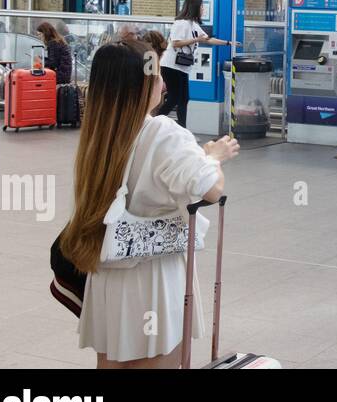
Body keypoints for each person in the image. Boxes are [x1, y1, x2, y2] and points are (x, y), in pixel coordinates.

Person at [58, 37, 240, 367]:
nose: (163, 82)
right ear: (139, 85)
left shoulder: (99, 137)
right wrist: (212, 157)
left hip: (109, 276)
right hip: (153, 279)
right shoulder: (162, 133)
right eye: (155, 75)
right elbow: (211, 189)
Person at [158, 0, 233, 128]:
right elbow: (176, 43)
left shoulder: (193, 24)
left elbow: (207, 39)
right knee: (174, 98)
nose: (203, 9)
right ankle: (152, 123)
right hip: (171, 66)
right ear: (195, 8)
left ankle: (182, 129)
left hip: (182, 67)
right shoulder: (181, 23)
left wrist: (228, 43)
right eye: (202, 7)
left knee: (184, 99)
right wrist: (196, 40)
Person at [36, 22, 73, 86]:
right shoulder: (57, 41)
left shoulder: (53, 43)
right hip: (65, 75)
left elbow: (53, 63)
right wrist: (42, 58)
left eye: (40, 34)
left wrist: (41, 61)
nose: (39, 37)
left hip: (60, 76)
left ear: (45, 33)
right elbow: (55, 59)